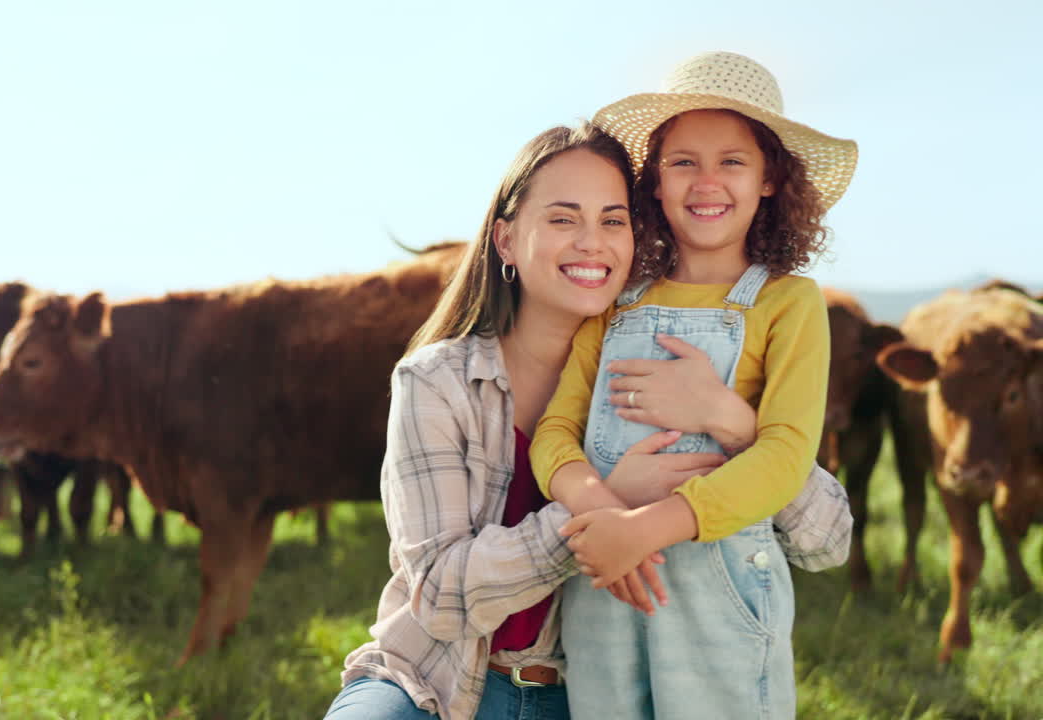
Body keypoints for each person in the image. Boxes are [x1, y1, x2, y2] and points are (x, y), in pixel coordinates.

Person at [323, 121, 850, 720]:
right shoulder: (438, 381)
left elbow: (827, 539)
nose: (591, 243)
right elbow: (441, 596)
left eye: (611, 220)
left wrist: (727, 418)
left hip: (582, 686)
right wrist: (606, 506)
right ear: (505, 240)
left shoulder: (744, 314)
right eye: (563, 218)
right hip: (437, 683)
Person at [529, 51, 859, 720]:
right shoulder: (615, 303)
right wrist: (604, 515)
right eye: (684, 161)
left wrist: (651, 525)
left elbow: (784, 456)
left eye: (732, 161)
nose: (707, 181)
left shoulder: (788, 303)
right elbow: (555, 434)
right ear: (654, 182)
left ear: (770, 179)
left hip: (726, 591)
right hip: (606, 581)